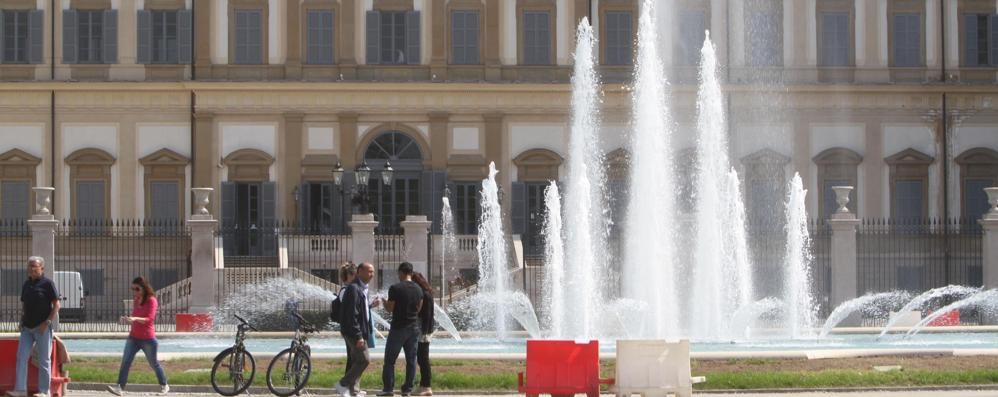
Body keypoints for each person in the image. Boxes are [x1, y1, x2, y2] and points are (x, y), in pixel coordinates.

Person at [106, 277, 169, 396]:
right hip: (134, 337)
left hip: (148, 339)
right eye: (132, 289)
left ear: (144, 288)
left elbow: (149, 319)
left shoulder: (152, 301)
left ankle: (164, 385)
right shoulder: (136, 300)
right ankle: (120, 387)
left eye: (137, 289)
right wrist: (127, 320)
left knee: (153, 363)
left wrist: (134, 318)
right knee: (126, 361)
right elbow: (135, 318)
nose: (134, 291)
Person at [8, 256, 60, 397]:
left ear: (41, 268)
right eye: (29, 266)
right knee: (21, 357)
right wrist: (21, 322)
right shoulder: (26, 284)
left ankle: (44, 391)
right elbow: (24, 304)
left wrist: (47, 323)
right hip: (27, 328)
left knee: (44, 360)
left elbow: (56, 305)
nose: (31, 269)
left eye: (34, 266)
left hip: (42, 328)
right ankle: (20, 390)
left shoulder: (48, 284)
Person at [377, 262, 424, 397]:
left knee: (390, 360)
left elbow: (390, 308)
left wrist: (384, 301)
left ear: (401, 272)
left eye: (398, 273)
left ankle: (388, 389)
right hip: (414, 328)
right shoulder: (418, 289)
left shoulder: (395, 288)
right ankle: (407, 389)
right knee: (411, 360)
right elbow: (419, 308)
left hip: (398, 328)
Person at [336, 262, 376, 397]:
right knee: (365, 360)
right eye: (369, 271)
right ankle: (343, 384)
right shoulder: (353, 288)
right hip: (353, 331)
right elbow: (351, 314)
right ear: (359, 271)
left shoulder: (362, 288)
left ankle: (353, 391)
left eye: (373, 271)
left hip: (360, 331)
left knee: (356, 360)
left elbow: (361, 310)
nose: (372, 274)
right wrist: (358, 335)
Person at [411, 273, 435, 396]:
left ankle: (426, 386)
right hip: (425, 330)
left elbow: (424, 315)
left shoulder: (424, 295)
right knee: (422, 359)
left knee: (423, 359)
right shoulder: (427, 294)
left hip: (423, 331)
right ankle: (423, 385)